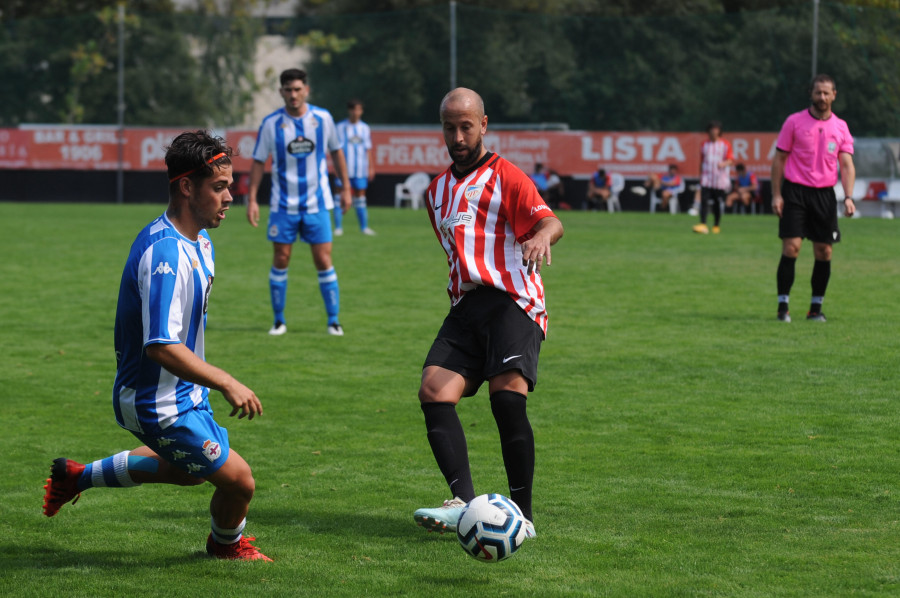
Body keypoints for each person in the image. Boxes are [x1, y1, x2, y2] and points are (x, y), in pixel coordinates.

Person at [41, 130, 271, 562]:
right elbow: (161, 346)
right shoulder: (166, 255)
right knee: (239, 480)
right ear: (187, 186)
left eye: (230, 187)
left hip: (181, 392)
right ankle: (225, 546)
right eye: (219, 187)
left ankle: (76, 476)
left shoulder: (200, 241)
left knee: (189, 475)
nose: (229, 198)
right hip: (155, 401)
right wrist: (226, 381)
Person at [412, 88, 564, 540]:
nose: (457, 136)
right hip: (467, 306)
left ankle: (523, 516)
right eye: (449, 127)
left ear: (483, 125)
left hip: (512, 301)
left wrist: (541, 238)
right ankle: (461, 503)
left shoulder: (507, 176)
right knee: (433, 391)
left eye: (466, 126)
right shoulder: (435, 191)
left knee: (507, 399)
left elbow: (550, 221)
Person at [246, 68, 352, 337]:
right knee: (281, 258)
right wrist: (253, 199)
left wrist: (346, 188)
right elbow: (258, 161)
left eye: (297, 89)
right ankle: (279, 321)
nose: (293, 95)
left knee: (323, 259)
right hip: (283, 206)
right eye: (288, 90)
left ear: (306, 90)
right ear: (281, 92)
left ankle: (333, 320)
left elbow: (337, 153)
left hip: (317, 204)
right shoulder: (271, 124)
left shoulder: (322, 118)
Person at [771, 74, 855, 322]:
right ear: (811, 94)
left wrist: (848, 197)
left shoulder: (840, 127)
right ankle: (783, 307)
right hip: (795, 192)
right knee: (792, 247)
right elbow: (779, 160)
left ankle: (815, 309)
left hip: (825, 195)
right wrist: (776, 194)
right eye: (818, 92)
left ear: (834, 95)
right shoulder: (794, 122)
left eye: (826, 93)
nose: (822, 97)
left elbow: (847, 165)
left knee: (824, 252)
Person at [334, 98, 376, 236]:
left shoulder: (364, 128)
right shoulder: (340, 127)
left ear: (361, 111)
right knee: (339, 197)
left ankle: (364, 227)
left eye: (358, 109)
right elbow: (334, 149)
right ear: (349, 110)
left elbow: (368, 149)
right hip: (343, 169)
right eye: (353, 109)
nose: (355, 112)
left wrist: (371, 167)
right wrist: (335, 167)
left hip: (359, 169)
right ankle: (338, 227)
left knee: (360, 198)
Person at [692, 121, 733, 234]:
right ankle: (703, 224)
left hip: (719, 179)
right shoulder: (704, 144)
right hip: (706, 178)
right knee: (704, 201)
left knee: (716, 202)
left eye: (716, 129)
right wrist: (700, 175)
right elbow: (702, 161)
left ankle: (716, 225)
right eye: (711, 129)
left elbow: (730, 160)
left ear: (719, 131)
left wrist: (723, 164)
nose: (713, 131)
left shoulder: (725, 144)